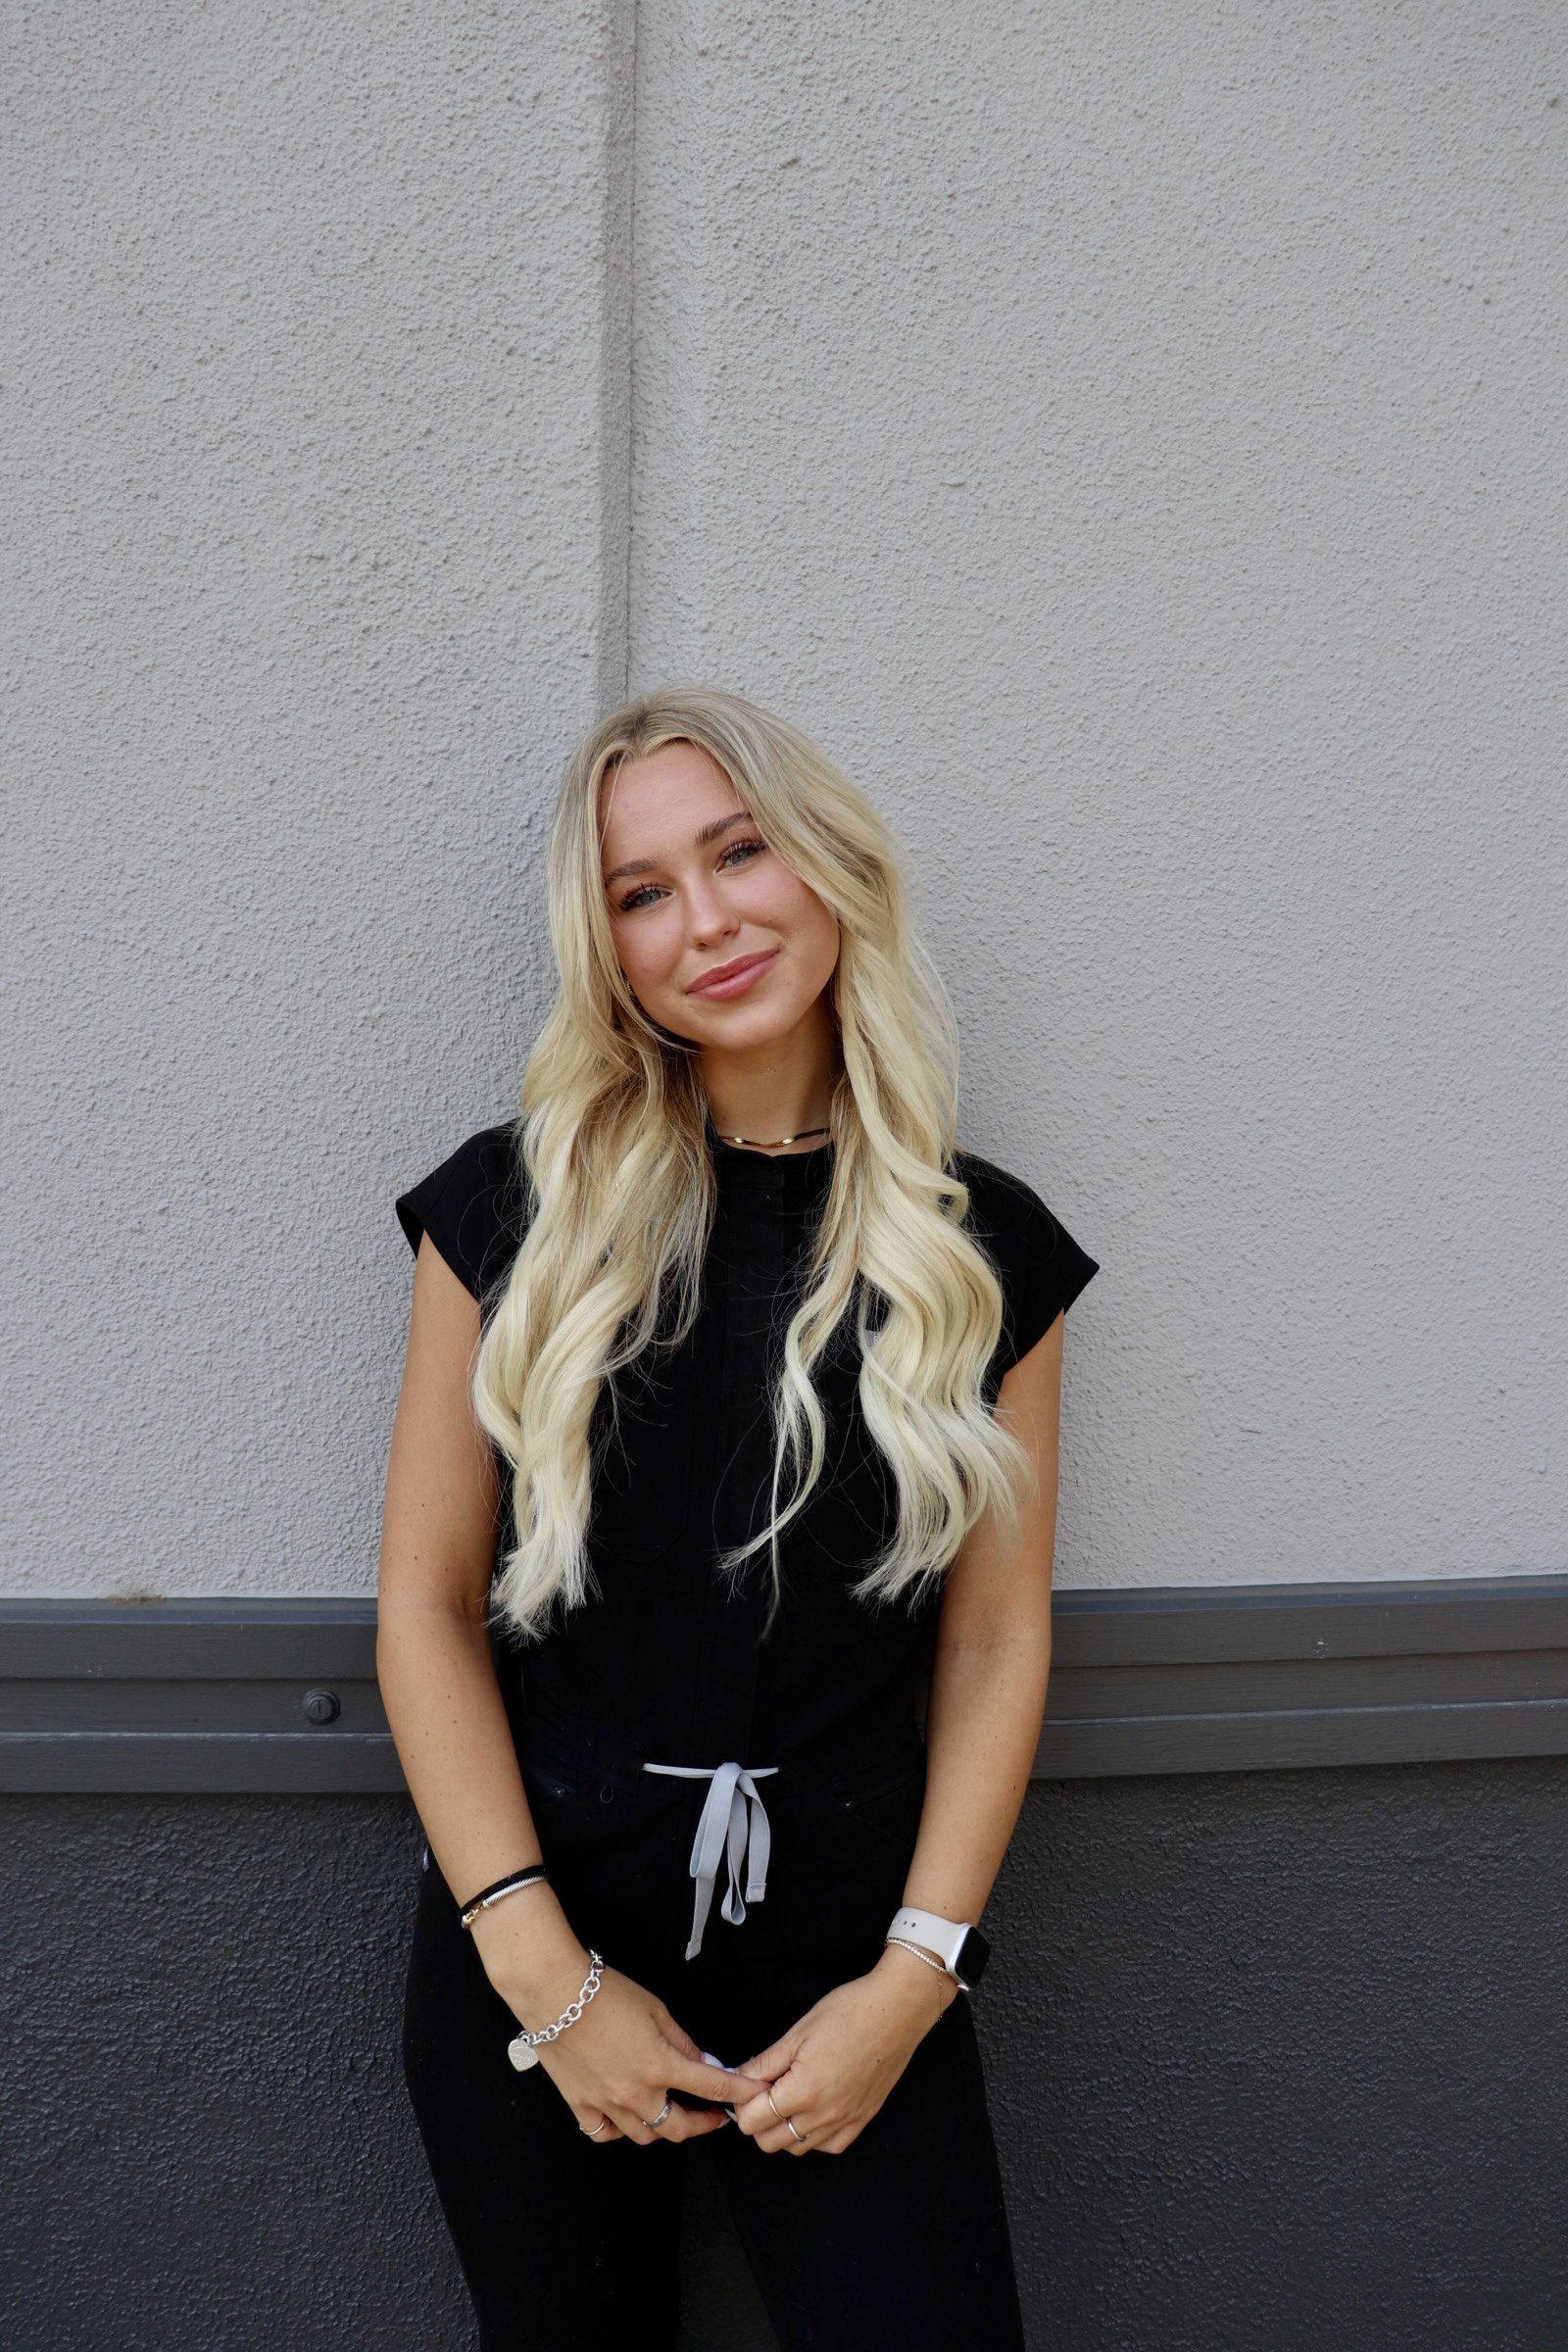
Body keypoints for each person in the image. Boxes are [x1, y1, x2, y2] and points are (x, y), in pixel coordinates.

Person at [377, 684, 1100, 2351]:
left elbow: (996, 1633)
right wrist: (544, 1987)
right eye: (643, 891)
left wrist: (916, 1983)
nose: (705, 919)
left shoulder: (985, 1251)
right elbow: (423, 1609)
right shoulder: (512, 1213)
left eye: (739, 851)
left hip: (859, 1978)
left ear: (828, 867)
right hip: (537, 1955)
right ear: (607, 946)